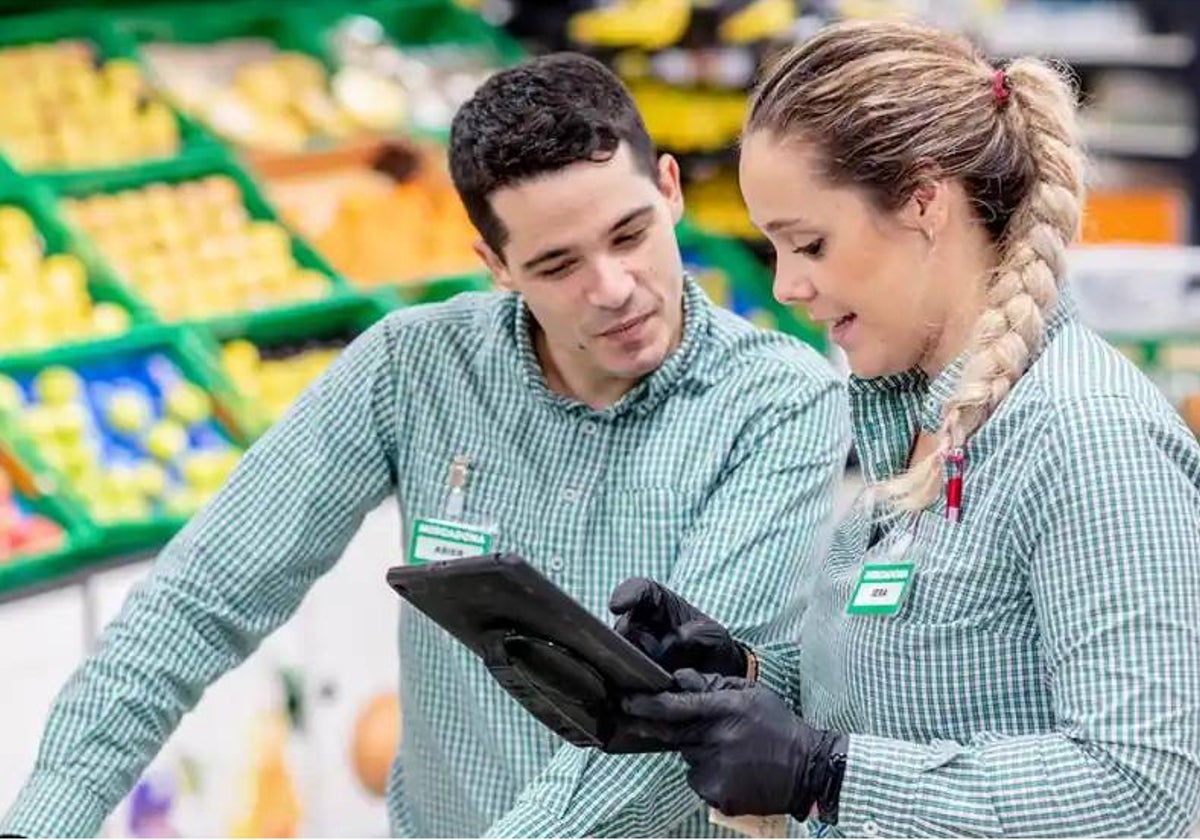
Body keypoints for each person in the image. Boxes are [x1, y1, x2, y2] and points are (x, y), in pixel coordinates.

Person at [0, 53, 849, 838]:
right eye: (557, 265)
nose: (613, 289)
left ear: (668, 189)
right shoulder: (412, 368)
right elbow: (196, 603)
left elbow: (681, 727)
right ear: (495, 263)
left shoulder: (779, 402)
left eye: (629, 234)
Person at [611, 18, 1200, 838]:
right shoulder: (914, 422)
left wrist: (827, 774)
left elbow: (1150, 793)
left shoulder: (1084, 438)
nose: (786, 286)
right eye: (773, 248)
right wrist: (743, 679)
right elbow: (929, 701)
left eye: (808, 244)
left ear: (926, 201)